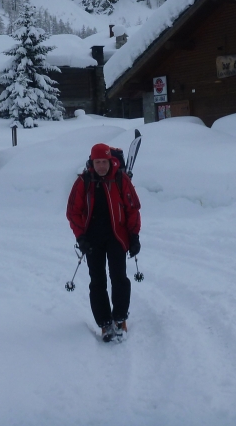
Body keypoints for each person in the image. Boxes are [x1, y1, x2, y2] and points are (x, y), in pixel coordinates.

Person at [66, 142, 142, 342]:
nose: (101, 166)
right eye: (97, 162)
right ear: (92, 162)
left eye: (104, 162)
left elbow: (132, 208)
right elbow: (73, 212)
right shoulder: (84, 181)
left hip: (117, 237)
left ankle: (120, 319)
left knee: (119, 278)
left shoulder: (120, 179)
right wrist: (80, 237)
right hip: (92, 239)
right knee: (97, 282)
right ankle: (104, 323)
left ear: (111, 161)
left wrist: (134, 236)